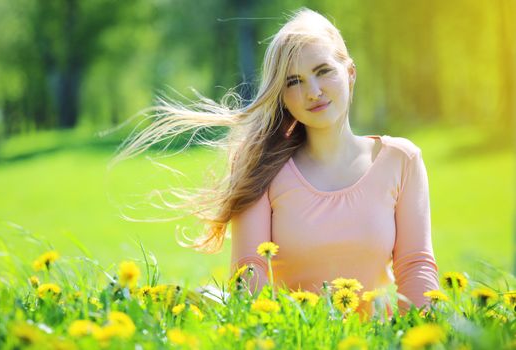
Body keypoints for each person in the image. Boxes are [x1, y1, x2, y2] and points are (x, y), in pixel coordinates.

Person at [115, 8, 439, 319]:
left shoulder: (401, 160)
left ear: (350, 73)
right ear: (281, 94)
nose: (313, 91)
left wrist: (421, 334)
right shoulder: (262, 166)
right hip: (296, 336)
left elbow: (415, 266)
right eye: (294, 81)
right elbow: (249, 267)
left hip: (377, 339)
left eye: (323, 71)